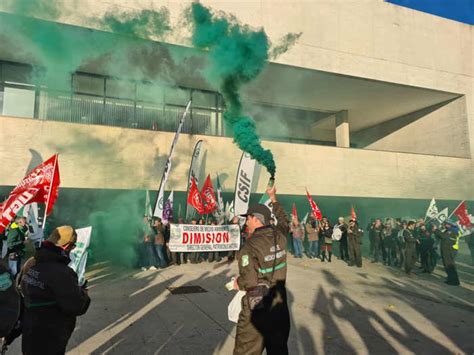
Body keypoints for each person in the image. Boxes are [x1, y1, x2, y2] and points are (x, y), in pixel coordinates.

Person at [233, 183, 290, 355]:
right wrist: (273, 198)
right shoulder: (280, 236)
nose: (246, 221)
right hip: (280, 308)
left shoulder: (249, 247)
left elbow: (249, 282)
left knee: (246, 351)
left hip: (258, 310)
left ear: (256, 219)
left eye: (248, 218)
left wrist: (237, 283)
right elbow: (284, 221)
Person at [19, 226, 90, 354]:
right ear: (66, 246)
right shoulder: (62, 273)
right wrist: (83, 294)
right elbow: (76, 306)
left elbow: (21, 288)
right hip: (52, 333)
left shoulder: (30, 263)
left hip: (30, 329)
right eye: (72, 247)